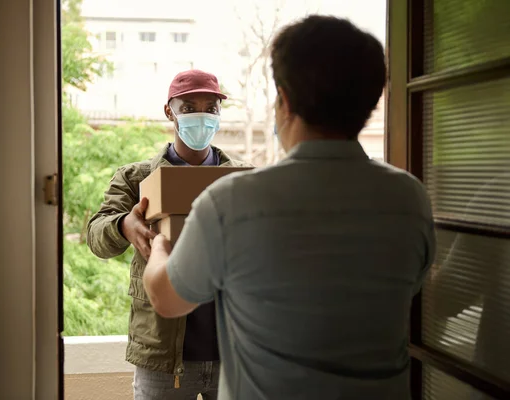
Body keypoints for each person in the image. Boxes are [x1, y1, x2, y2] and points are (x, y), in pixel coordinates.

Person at [143, 15, 435, 400]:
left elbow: (167, 298)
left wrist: (160, 246)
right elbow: (419, 295)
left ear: (284, 99)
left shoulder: (231, 200)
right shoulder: (409, 197)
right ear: (371, 102)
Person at [87, 69, 250, 400]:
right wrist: (124, 225)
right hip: (163, 355)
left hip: (233, 352)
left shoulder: (242, 180)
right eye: (188, 107)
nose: (200, 116)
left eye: (210, 108)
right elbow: (96, 235)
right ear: (169, 111)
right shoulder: (137, 178)